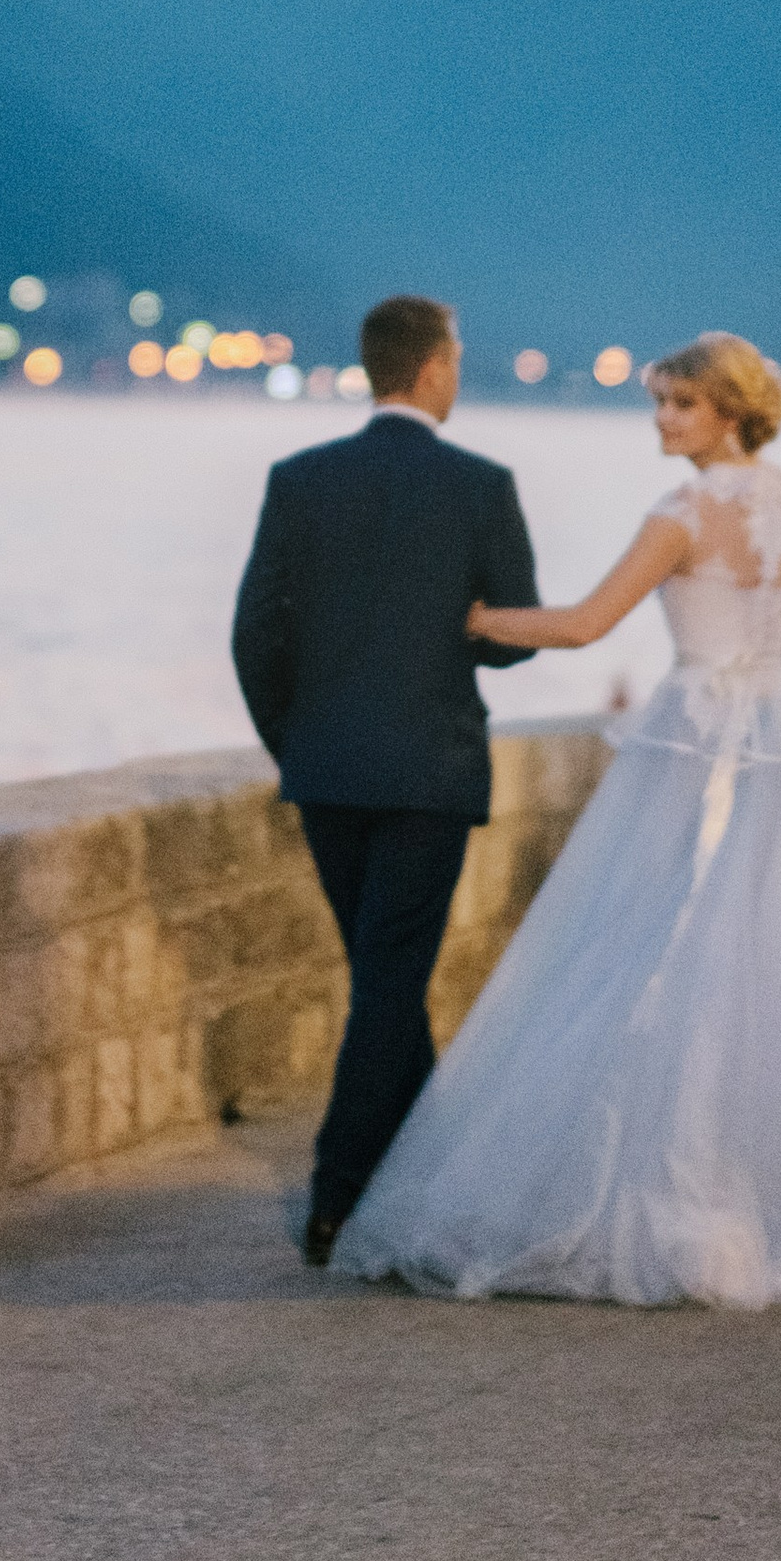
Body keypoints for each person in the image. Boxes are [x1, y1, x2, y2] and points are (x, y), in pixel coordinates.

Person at [332, 330, 781, 1308]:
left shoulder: (680, 513)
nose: (661, 420)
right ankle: (766, 1199)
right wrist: (773, 634)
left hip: (700, 734)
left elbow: (585, 624)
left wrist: (468, 620)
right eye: (661, 402)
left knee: (648, 942)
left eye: (679, 404)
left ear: (727, 411)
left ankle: (670, 1192)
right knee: (768, 950)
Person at [232, 294, 541, 1265]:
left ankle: (425, 1176)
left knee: (382, 981)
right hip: (426, 772)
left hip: (326, 771)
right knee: (388, 984)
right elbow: (513, 634)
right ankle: (338, 1195)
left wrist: (298, 744)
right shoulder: (480, 485)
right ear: (436, 367)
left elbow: (253, 637)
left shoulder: (299, 479)